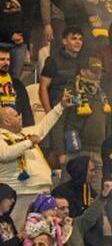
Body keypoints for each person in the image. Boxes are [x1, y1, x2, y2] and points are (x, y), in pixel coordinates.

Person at [1, 88, 72, 223]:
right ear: (7, 121)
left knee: (42, 232)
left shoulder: (26, 132)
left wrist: (60, 106)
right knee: (21, 232)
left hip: (42, 191)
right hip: (20, 193)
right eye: (16, 115)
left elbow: (45, 125)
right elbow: (5, 154)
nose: (20, 117)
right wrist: (28, 142)